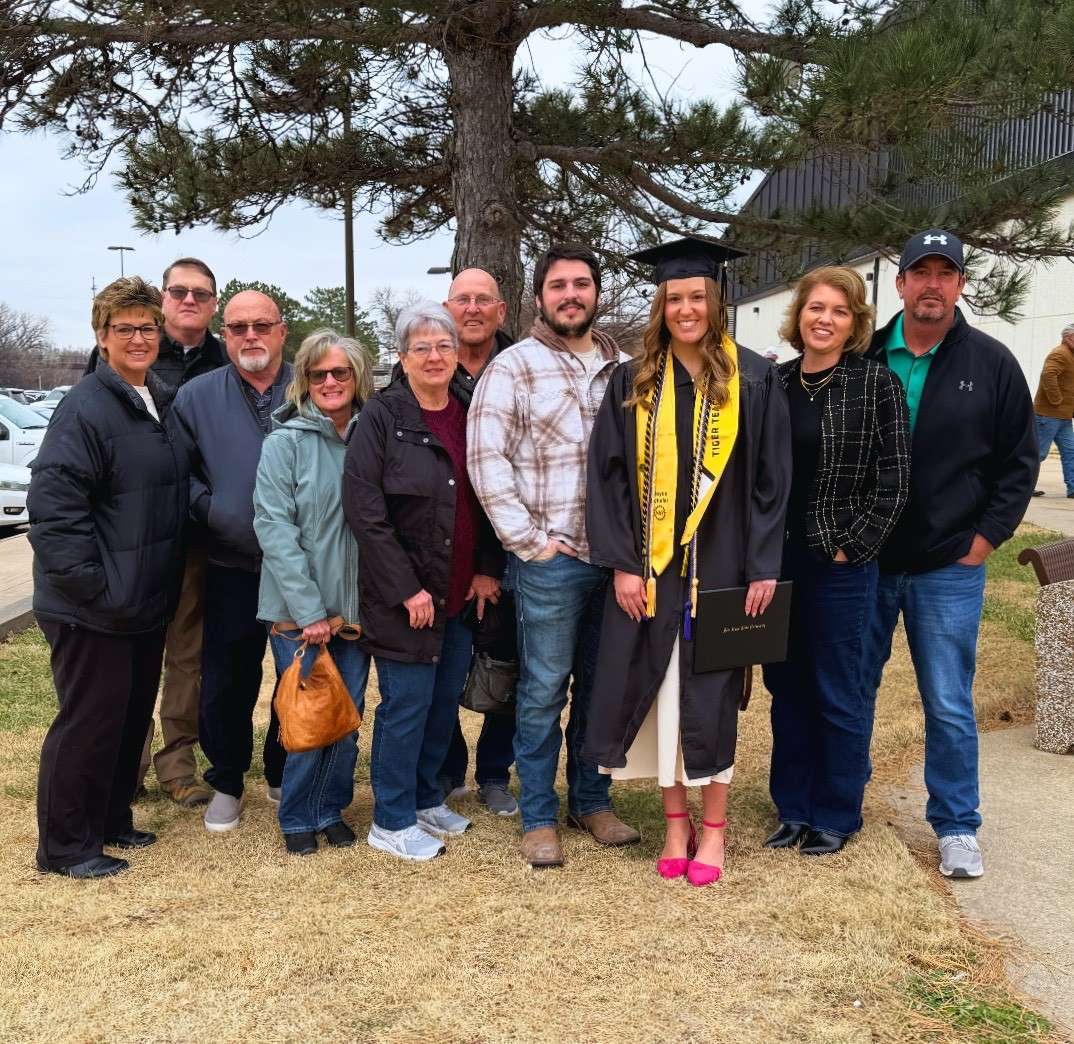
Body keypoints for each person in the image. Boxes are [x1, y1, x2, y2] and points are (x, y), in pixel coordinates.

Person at [581, 238, 790, 887]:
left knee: (713, 701)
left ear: (716, 300)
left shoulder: (752, 377)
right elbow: (607, 479)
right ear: (661, 305)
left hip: (723, 573)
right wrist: (620, 563)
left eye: (697, 296)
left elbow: (771, 483)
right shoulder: (635, 380)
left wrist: (762, 565)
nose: (687, 308)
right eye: (675, 298)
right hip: (653, 574)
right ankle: (677, 826)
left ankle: (716, 832)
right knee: (663, 701)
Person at [862, 229, 1037, 879]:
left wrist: (984, 540)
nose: (932, 283)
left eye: (946, 272)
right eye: (920, 272)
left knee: (948, 701)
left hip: (947, 567)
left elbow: (1017, 466)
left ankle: (958, 825)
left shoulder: (992, 364)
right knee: (853, 688)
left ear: (960, 285)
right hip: (871, 561)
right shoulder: (868, 355)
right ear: (901, 282)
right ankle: (838, 802)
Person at [468, 242, 640, 869]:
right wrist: (532, 544)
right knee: (543, 690)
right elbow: (487, 464)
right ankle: (539, 813)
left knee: (603, 687)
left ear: (597, 293)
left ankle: (590, 799)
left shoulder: (626, 367)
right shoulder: (513, 368)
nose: (571, 294)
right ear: (539, 297)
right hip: (552, 563)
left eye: (582, 283)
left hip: (617, 559)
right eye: (559, 285)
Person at [29, 277, 189, 878]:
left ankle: (111, 818)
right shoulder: (86, 408)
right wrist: (93, 587)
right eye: (125, 329)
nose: (139, 338)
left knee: (126, 718)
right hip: (93, 605)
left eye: (148, 327)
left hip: (143, 599)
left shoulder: (155, 399)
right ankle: (67, 847)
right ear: (102, 337)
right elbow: (55, 509)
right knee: (89, 722)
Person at [343, 302, 504, 861]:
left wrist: (486, 568)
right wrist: (406, 588)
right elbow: (365, 511)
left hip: (459, 592)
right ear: (402, 357)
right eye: (422, 348)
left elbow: (486, 495)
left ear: (456, 353)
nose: (434, 357)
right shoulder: (383, 417)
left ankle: (424, 797)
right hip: (405, 596)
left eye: (443, 346)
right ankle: (389, 819)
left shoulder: (468, 408)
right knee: (405, 705)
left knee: (441, 706)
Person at [762, 266, 909, 857]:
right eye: (815, 308)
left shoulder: (877, 385)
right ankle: (793, 809)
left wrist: (856, 546)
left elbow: (895, 481)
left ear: (855, 325)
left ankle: (836, 811)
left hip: (842, 566)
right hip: (777, 564)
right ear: (799, 316)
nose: (825, 319)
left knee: (838, 689)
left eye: (839, 311)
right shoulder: (772, 384)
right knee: (786, 688)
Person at [170, 290, 292, 833]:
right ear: (225, 335)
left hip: (298, 570)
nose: (251, 337)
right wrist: (212, 508)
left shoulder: (315, 384)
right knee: (227, 680)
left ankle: (284, 769)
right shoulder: (197, 396)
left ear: (281, 331)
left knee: (298, 675)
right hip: (230, 562)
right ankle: (226, 779)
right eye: (238, 327)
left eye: (261, 325)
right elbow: (179, 470)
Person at [109, 258, 224, 808]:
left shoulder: (224, 364)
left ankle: (177, 766)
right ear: (162, 296)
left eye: (201, 294)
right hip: (134, 537)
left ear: (213, 304)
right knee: (134, 654)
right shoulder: (120, 362)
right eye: (179, 291)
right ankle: (122, 763)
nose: (189, 300)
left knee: (188, 656)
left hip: (196, 536)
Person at [254, 329, 372, 856]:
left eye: (340, 373)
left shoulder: (374, 436)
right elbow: (274, 528)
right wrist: (309, 612)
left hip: (357, 611)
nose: (329, 382)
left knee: (345, 720)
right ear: (304, 380)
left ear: (357, 378)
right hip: (300, 613)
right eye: (319, 373)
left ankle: (331, 807)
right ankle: (298, 813)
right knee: (308, 717)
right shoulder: (286, 443)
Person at [434, 267, 518, 816]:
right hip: (439, 552)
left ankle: (494, 773)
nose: (472, 308)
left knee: (508, 663)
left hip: (508, 546)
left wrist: (490, 563)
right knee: (440, 669)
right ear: (447, 307)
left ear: (501, 310)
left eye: (482, 299)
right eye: (461, 299)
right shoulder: (419, 369)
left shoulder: (521, 368)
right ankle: (445, 770)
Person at [1031, 323, 1074, 498]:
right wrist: (1057, 400)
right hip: (1047, 416)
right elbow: (1048, 375)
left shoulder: (1071, 355)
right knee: (1037, 453)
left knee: (1070, 452)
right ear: (1068, 338)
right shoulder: (1060, 353)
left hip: (1064, 417)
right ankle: (1022, 487)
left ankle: (1073, 488)